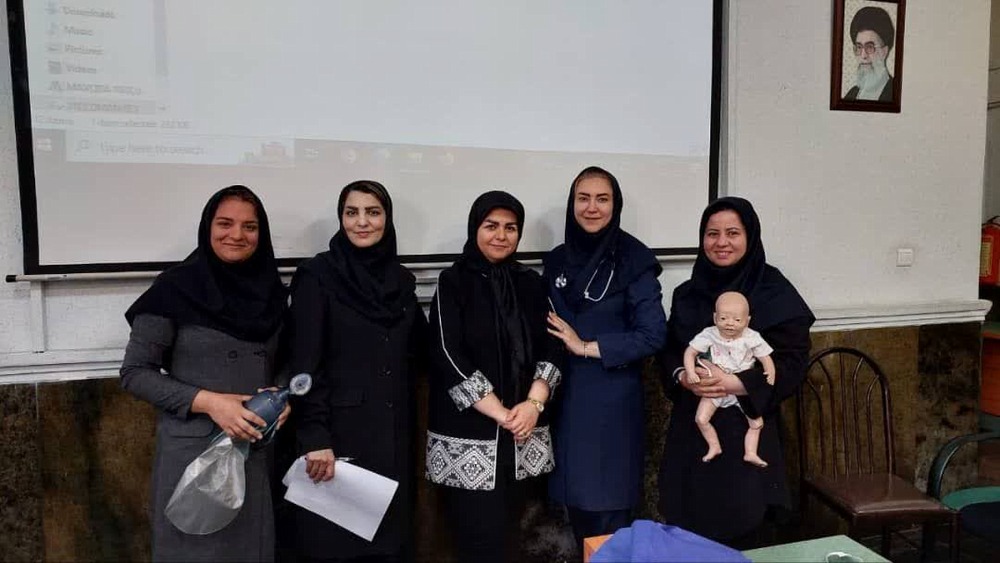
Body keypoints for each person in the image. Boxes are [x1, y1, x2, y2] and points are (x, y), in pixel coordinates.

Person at [120, 185, 289, 562]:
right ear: (207, 226)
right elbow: (135, 372)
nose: (237, 235)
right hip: (192, 455)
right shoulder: (174, 288)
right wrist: (210, 403)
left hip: (254, 452)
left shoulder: (272, 292)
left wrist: (282, 396)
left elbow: (283, 362)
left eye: (249, 226)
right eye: (225, 223)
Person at [281, 180, 427, 562]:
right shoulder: (317, 276)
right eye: (352, 213)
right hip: (338, 441)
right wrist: (314, 436)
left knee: (390, 544)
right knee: (338, 546)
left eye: (373, 212)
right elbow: (303, 365)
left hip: (393, 438)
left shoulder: (401, 281)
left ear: (387, 219)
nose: (362, 222)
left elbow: (421, 349)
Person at [657, 197, 814, 547]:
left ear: (750, 236)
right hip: (693, 429)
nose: (721, 242)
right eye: (712, 233)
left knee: (746, 528)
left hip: (748, 427)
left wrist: (737, 382)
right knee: (691, 529)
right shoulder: (688, 293)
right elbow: (669, 350)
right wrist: (682, 376)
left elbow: (792, 362)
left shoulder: (774, 291)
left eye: (732, 233)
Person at [425, 191, 563, 563]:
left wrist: (533, 404)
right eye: (491, 226)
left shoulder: (531, 283)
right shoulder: (453, 281)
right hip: (472, 436)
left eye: (510, 227)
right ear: (475, 228)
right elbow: (447, 353)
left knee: (518, 539)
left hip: (524, 434)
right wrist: (502, 414)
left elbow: (554, 345)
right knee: (475, 540)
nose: (501, 236)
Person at [544, 166, 667, 549]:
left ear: (616, 205)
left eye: (602, 199)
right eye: (583, 198)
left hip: (610, 404)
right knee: (576, 507)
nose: (592, 208)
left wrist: (585, 346)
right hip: (564, 400)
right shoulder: (557, 259)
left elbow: (653, 335)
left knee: (609, 513)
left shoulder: (634, 260)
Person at [682, 291, 776, 467]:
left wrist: (770, 372)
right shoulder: (709, 334)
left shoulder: (751, 337)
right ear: (715, 317)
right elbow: (690, 352)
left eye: (737, 320)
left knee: (756, 423)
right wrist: (690, 372)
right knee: (701, 419)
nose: (730, 323)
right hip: (715, 387)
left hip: (741, 387)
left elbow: (765, 357)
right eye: (723, 318)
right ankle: (714, 446)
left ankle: (750, 453)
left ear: (747, 320)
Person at [843, 6, 896, 102]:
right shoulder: (851, 95)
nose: (863, 56)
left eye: (870, 47)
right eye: (859, 47)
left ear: (884, 51)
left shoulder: (895, 93)